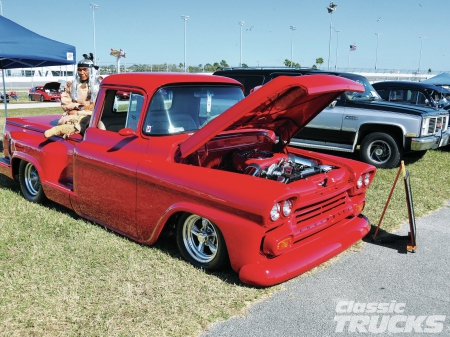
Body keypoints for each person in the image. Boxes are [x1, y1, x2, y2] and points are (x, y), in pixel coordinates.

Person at [44, 53, 103, 138]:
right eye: (79, 70)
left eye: (84, 69)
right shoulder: (71, 85)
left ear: (91, 70)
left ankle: (65, 129)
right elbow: (65, 104)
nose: (81, 72)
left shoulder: (99, 85)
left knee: (89, 122)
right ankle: (67, 128)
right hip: (73, 116)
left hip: (91, 117)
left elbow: (100, 106)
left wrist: (84, 110)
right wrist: (78, 107)